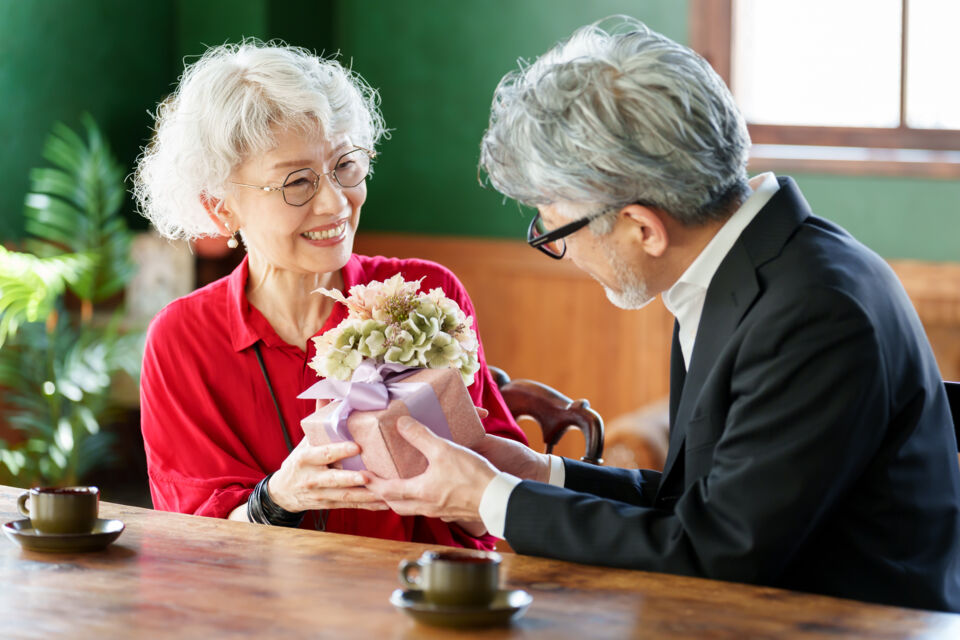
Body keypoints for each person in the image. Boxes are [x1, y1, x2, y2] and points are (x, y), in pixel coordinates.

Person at [364, 18, 960, 611]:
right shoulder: (747, 268)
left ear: (642, 227)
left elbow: (717, 553)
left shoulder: (814, 315)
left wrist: (490, 499)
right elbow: (701, 503)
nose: (563, 255)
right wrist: (537, 474)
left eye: (557, 232)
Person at [133, 40, 526, 549]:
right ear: (220, 207)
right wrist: (279, 496)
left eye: (345, 166)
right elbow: (195, 543)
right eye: (297, 182)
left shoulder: (424, 296)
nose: (334, 202)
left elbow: (496, 510)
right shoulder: (184, 338)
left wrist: (464, 474)